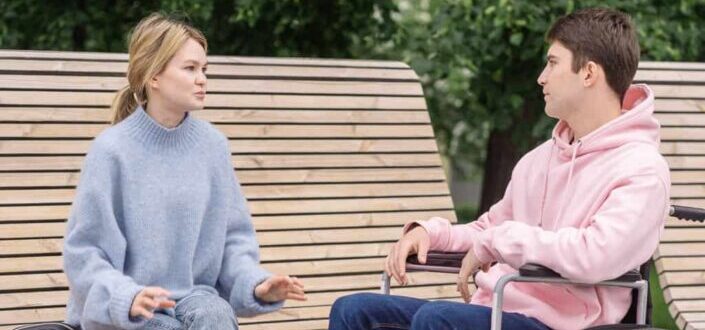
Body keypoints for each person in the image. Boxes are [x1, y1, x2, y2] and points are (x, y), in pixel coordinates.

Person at [329, 7, 670, 330]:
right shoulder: (539, 160)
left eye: (552, 63)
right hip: (498, 307)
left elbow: (594, 256)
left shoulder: (641, 169)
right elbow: (489, 228)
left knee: (439, 320)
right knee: (353, 310)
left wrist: (500, 241)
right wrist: (432, 234)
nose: (541, 78)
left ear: (589, 73)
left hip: (566, 323)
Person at [62, 13, 306, 330]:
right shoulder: (112, 151)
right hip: (126, 312)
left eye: (204, 69)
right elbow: (85, 253)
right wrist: (127, 297)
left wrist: (256, 285)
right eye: (190, 68)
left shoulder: (213, 147)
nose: (202, 78)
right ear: (154, 77)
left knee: (216, 314)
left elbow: (233, 242)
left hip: (194, 298)